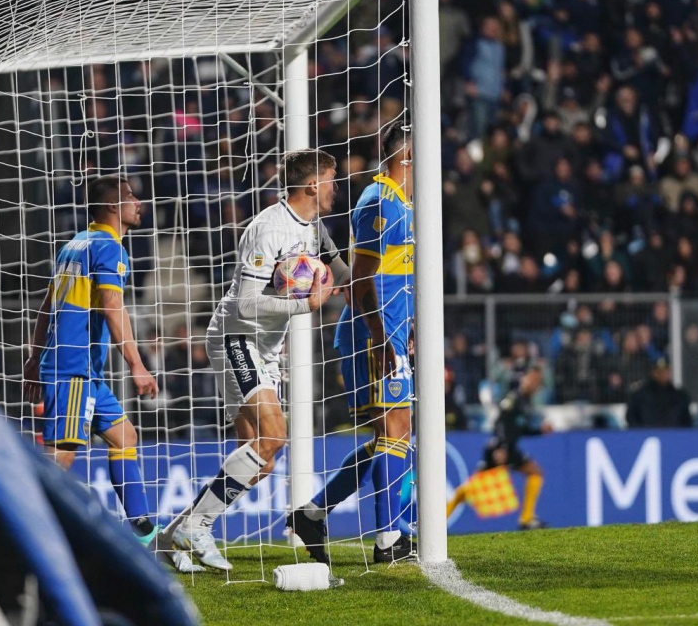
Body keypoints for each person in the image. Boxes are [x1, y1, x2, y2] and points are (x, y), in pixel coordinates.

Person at [169, 150, 347, 571]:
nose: (335, 188)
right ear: (311, 186)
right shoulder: (268, 228)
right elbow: (248, 305)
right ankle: (197, 526)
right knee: (275, 436)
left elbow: (342, 271)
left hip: (265, 348)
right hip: (236, 335)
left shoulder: (314, 227)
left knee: (261, 459)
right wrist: (306, 306)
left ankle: (173, 534)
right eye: (331, 180)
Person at [22, 176, 198, 573]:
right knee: (60, 458)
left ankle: (143, 534)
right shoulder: (108, 247)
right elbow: (114, 307)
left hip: (82, 370)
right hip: (73, 370)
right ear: (113, 208)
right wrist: (137, 364)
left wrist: (35, 356)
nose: (138, 203)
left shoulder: (74, 244)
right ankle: (25, 537)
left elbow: (47, 306)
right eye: (131, 198)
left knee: (124, 436)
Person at [287, 120, 416, 565]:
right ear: (408, 156)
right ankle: (389, 539)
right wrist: (380, 336)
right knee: (395, 429)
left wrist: (409, 328)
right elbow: (360, 277)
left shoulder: (400, 202)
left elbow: (395, 278)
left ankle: (313, 513)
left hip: (390, 332)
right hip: (371, 335)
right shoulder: (380, 201)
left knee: (392, 433)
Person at [446, 366, 552, 530]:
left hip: (509, 448)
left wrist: (539, 431)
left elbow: (520, 429)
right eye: (534, 380)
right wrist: (501, 447)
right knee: (470, 489)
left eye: (538, 382)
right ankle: (439, 519)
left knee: (535, 472)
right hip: (500, 448)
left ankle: (527, 518)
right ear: (525, 379)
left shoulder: (524, 401)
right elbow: (500, 423)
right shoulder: (514, 399)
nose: (536, 385)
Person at [626, 358, 693, 428]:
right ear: (653, 372)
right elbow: (631, 419)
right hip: (647, 436)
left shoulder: (680, 397)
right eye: (659, 371)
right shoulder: (639, 397)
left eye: (665, 371)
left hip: (674, 436)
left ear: (669, 372)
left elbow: (686, 422)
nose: (662, 374)